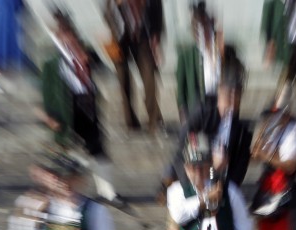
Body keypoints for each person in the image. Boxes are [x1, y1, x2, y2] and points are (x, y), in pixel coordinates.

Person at [156, 66, 253, 230]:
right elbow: (183, 146)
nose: (231, 101)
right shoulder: (202, 112)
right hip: (190, 175)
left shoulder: (241, 129)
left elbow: (240, 165)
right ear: (219, 94)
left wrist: (224, 186)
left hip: (219, 183)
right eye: (228, 95)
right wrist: (192, 185)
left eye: (236, 96)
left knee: (218, 229)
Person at [40, 10, 122, 205]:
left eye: (69, 32)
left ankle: (108, 192)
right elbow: (48, 91)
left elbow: (107, 70)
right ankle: (66, 189)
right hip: (66, 109)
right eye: (62, 33)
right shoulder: (52, 63)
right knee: (69, 151)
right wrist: (50, 115)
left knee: (98, 148)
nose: (68, 37)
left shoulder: (86, 52)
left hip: (88, 104)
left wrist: (93, 59)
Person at [166, 132, 253, 230]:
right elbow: (179, 215)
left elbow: (243, 224)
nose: (199, 171)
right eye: (194, 167)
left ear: (210, 166)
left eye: (203, 166)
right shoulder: (176, 190)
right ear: (186, 168)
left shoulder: (228, 189)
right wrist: (206, 199)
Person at [103, 0, 164, 132]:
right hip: (120, 38)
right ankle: (130, 120)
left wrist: (156, 34)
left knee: (150, 78)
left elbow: (157, 9)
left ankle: (154, 120)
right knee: (123, 79)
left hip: (142, 36)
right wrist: (114, 25)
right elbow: (106, 12)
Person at [175, 2, 223, 121]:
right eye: (197, 28)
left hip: (218, 105)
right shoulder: (186, 56)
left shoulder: (220, 52)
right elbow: (181, 90)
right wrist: (183, 112)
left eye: (205, 26)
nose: (202, 31)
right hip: (198, 108)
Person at [0, 0, 24, 71]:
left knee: (4, 35)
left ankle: (1, 61)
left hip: (6, 11)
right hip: (2, 11)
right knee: (0, 35)